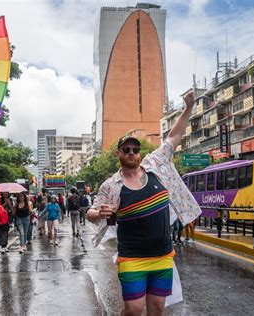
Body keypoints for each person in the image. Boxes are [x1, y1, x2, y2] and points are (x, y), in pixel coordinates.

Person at [87, 91, 201, 316]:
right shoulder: (111, 185)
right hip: (132, 257)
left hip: (162, 255)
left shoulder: (155, 164)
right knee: (133, 308)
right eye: (127, 150)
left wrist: (188, 108)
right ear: (119, 154)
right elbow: (90, 212)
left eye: (135, 149)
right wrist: (99, 212)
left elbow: (173, 137)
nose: (132, 153)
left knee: (157, 307)